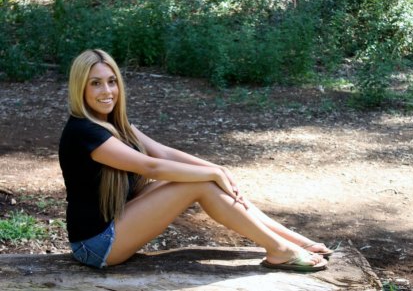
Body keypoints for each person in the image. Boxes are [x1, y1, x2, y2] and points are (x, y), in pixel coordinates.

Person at [58, 49, 333, 271]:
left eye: (111, 81)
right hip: (94, 245)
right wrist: (210, 175)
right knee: (198, 183)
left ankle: (291, 241)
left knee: (208, 181)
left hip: (112, 225)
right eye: (96, 83)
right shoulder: (84, 132)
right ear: (80, 88)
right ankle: (279, 250)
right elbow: (150, 166)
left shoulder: (114, 124)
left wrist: (215, 169)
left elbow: (162, 152)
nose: (107, 91)